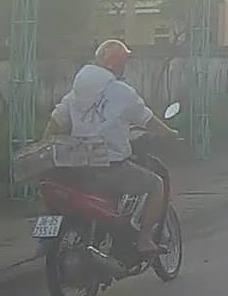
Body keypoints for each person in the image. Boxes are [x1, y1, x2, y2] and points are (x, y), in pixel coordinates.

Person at [43, 39, 180, 256]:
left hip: (79, 167)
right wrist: (170, 133)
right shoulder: (122, 92)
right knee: (156, 185)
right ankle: (145, 240)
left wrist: (45, 146)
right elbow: (148, 120)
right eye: (123, 62)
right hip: (110, 167)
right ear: (117, 64)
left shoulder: (76, 92)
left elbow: (56, 122)